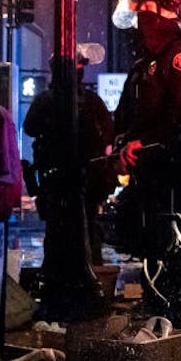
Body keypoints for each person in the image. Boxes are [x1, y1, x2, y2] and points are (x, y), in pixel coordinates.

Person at [111, 0, 181, 337]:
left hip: (176, 173)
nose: (142, 20)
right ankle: (159, 324)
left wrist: (144, 145)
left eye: (148, 11)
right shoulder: (147, 63)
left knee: (179, 252)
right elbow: (126, 115)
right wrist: (122, 145)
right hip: (149, 175)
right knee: (153, 252)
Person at [23, 44, 114, 268]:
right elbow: (108, 135)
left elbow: (30, 128)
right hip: (78, 180)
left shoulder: (48, 100)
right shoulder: (90, 102)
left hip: (65, 180)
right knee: (85, 229)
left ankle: (62, 274)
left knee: (60, 230)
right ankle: (87, 273)